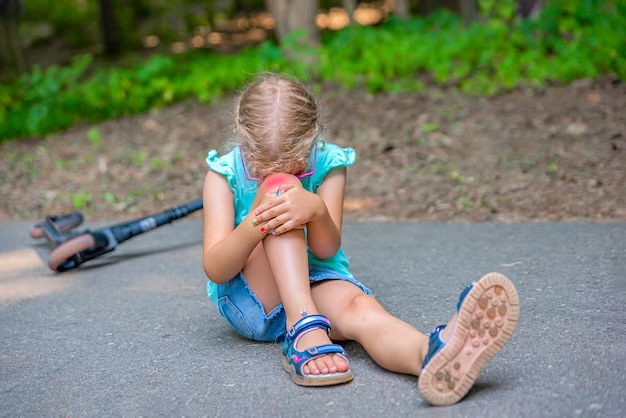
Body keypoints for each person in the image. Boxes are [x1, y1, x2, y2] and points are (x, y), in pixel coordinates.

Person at [202, 73, 520, 405]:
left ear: (312, 140)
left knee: (361, 309)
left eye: (298, 168)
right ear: (244, 145)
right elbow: (216, 268)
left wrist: (316, 210)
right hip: (254, 299)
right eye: (261, 169)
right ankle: (303, 326)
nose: (287, 174)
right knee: (281, 193)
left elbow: (326, 249)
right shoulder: (222, 175)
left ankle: (432, 356)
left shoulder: (328, 162)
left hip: (315, 280)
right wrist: (259, 221)